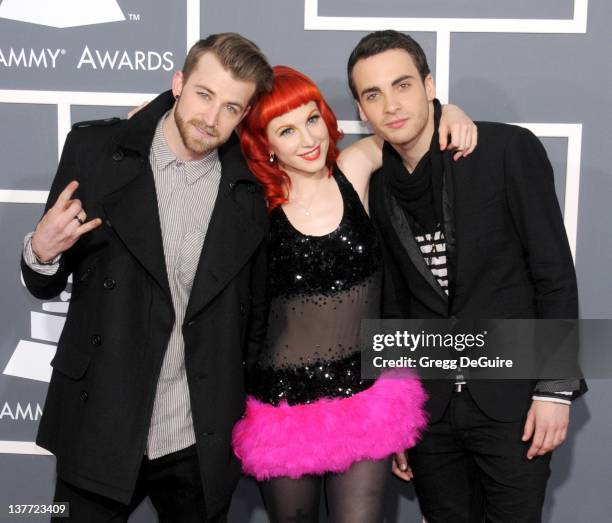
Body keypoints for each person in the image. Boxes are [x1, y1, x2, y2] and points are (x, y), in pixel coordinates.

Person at [20, 33, 272, 522]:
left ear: (244, 115)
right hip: (103, 420)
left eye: (231, 108)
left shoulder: (250, 193)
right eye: (204, 94)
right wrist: (41, 251)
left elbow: (255, 320)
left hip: (196, 437)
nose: (211, 118)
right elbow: (43, 281)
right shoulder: (95, 151)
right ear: (178, 83)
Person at [344, 30, 585, 522]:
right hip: (431, 416)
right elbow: (394, 308)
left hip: (513, 405)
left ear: (429, 86)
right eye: (373, 94)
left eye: (402, 85)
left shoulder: (505, 150)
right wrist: (398, 418)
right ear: (361, 110)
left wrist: (554, 390)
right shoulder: (377, 183)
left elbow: (554, 275)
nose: (391, 104)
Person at [231, 66, 477, 523]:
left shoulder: (353, 168)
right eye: (286, 130)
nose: (308, 138)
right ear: (264, 144)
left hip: (364, 399)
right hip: (283, 409)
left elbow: (409, 130)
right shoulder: (250, 201)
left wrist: (450, 111)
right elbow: (194, 141)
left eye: (312, 119)